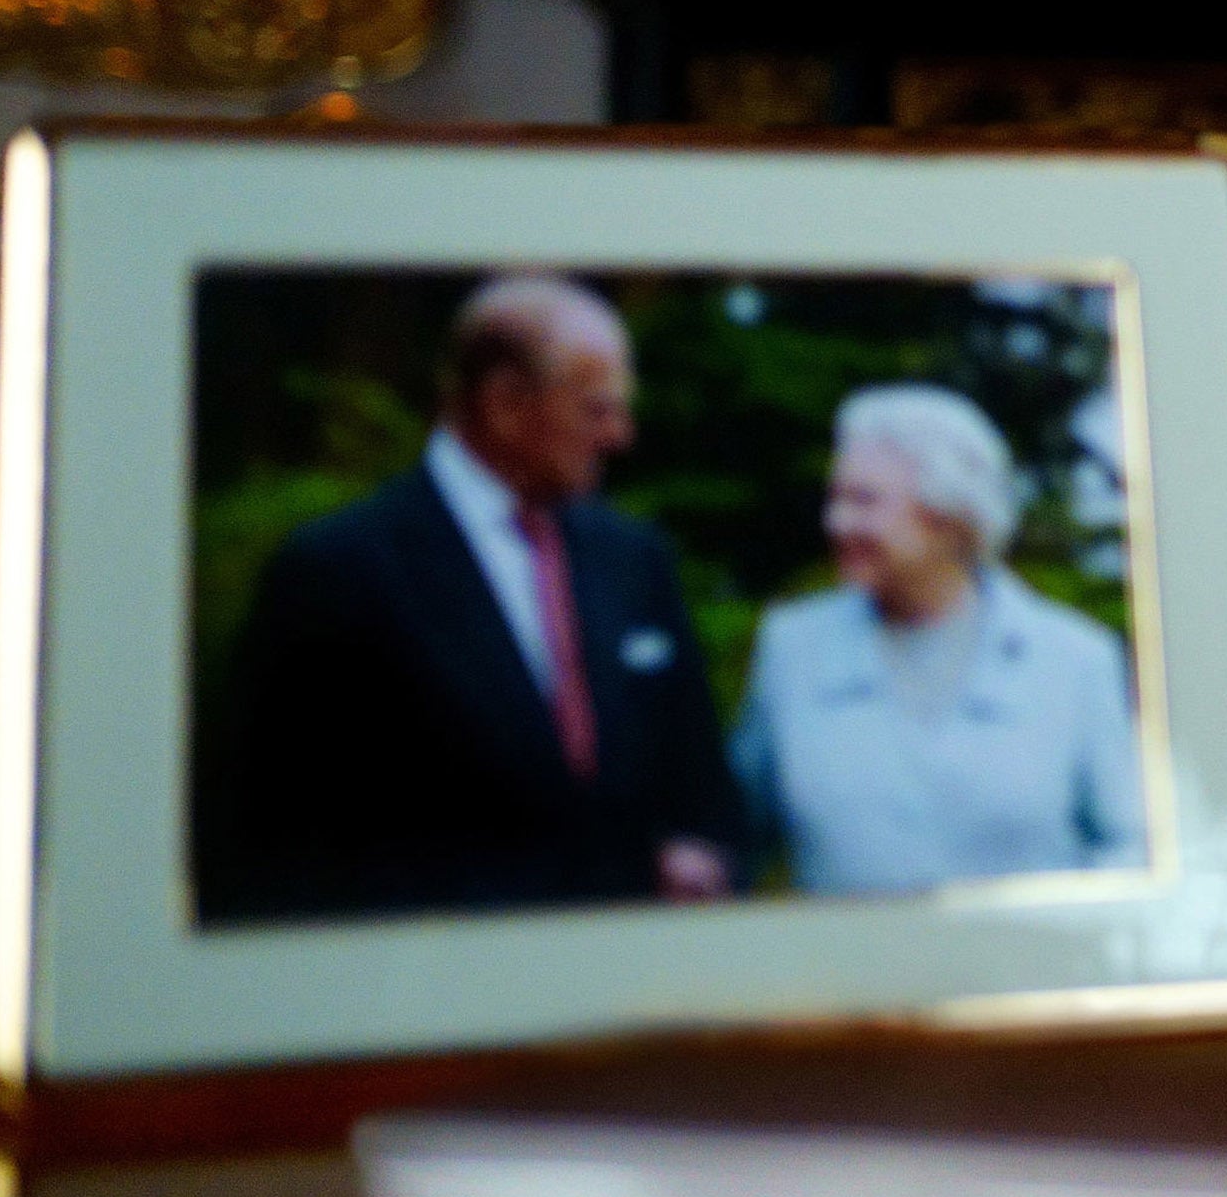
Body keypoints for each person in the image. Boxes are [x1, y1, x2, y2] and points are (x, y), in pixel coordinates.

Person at [206, 276, 740, 920]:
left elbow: (703, 785)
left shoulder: (634, 558)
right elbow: (264, 842)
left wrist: (698, 855)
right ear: (506, 402)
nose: (620, 435)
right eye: (596, 409)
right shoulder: (339, 570)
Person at [734, 383, 1148, 894]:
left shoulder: (1075, 659)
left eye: (864, 501)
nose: (837, 522)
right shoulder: (792, 648)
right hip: (844, 972)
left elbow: (1130, 847)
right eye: (836, 498)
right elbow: (734, 838)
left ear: (950, 519)